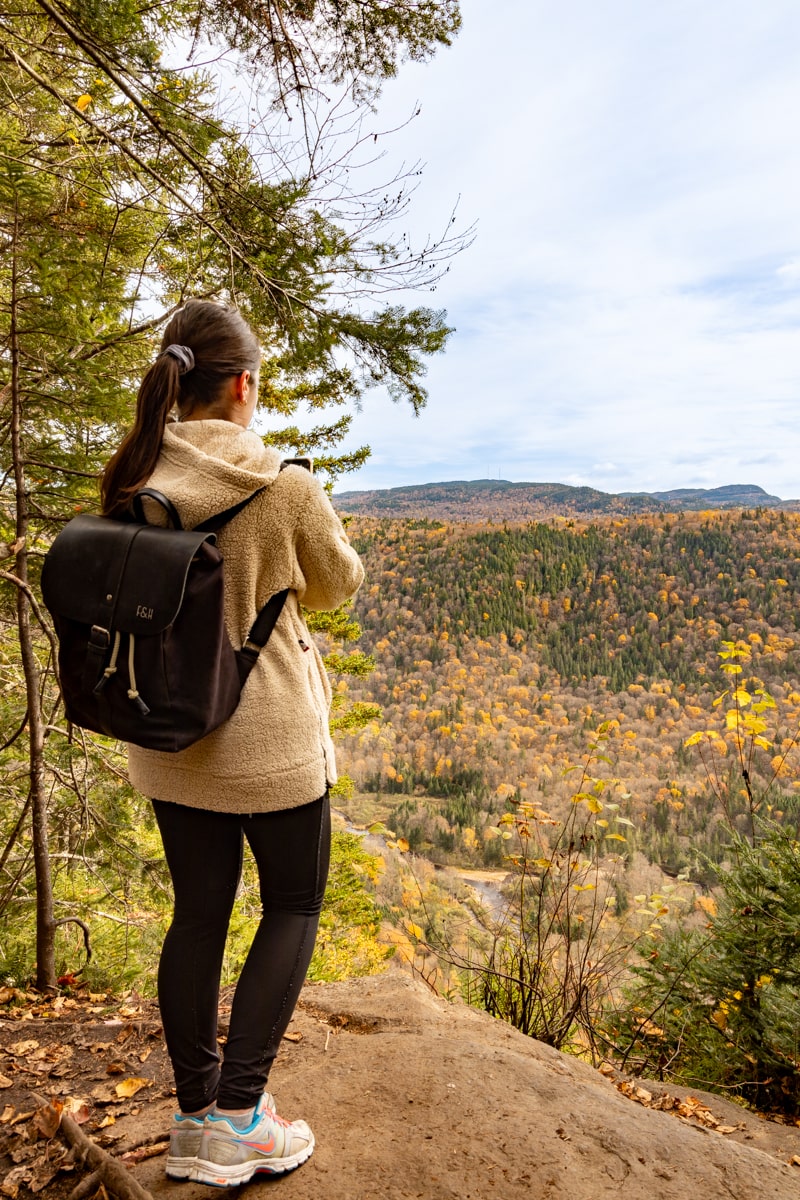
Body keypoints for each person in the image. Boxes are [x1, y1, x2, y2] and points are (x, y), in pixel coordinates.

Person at [100, 299, 364, 1186]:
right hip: (270, 742)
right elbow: (334, 586)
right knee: (292, 905)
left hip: (169, 736)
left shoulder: (136, 472)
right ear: (246, 385)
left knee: (198, 913)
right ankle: (244, 1117)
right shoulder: (284, 487)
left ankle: (193, 1115)